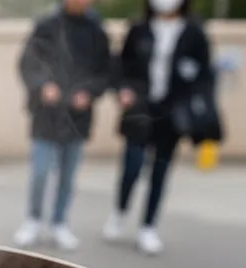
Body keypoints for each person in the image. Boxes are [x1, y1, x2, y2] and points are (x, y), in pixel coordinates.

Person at [104, 0, 222, 254]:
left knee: (160, 171)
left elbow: (205, 76)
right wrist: (123, 89)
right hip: (139, 108)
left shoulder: (194, 33)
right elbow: (121, 65)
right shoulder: (139, 29)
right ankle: (120, 212)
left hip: (172, 113)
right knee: (132, 166)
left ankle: (148, 226)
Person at [14, 0, 111, 251]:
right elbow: (28, 62)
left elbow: (105, 72)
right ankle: (33, 219)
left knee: (68, 176)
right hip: (46, 115)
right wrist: (43, 85)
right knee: (40, 172)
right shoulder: (46, 26)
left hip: (77, 116)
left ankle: (59, 222)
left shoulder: (96, 31)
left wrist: (88, 92)